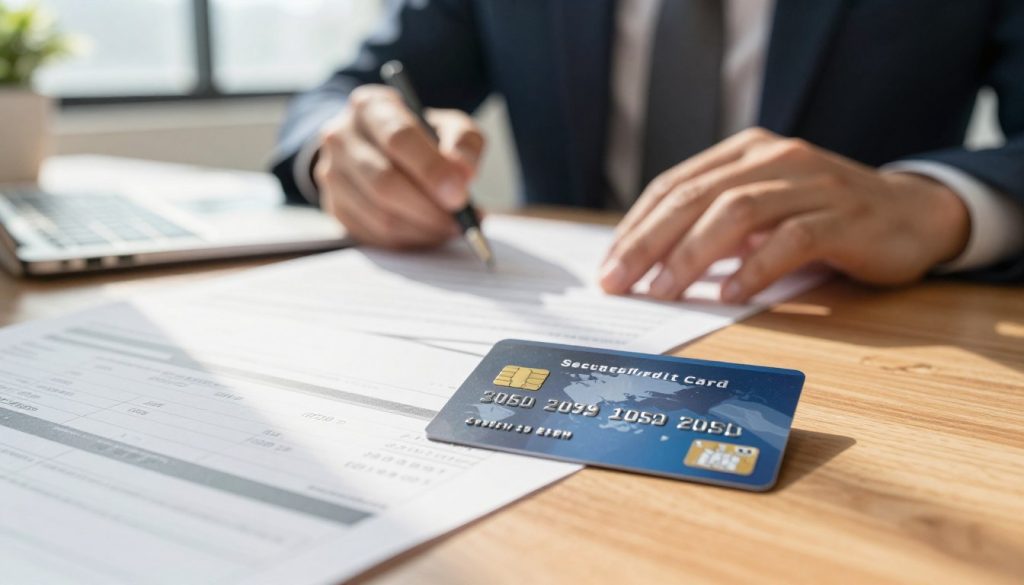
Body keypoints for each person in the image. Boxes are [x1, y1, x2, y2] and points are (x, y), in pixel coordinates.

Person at [271, 0, 1024, 302]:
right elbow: (342, 95)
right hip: (562, 325)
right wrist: (343, 150)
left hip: (860, 342)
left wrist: (934, 205)